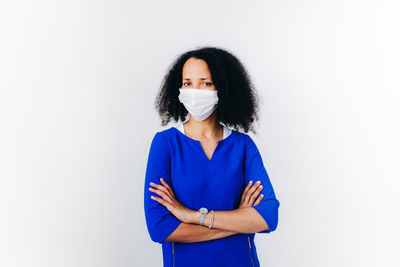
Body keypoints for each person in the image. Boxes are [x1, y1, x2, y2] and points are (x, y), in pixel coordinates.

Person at [143, 46, 280, 267]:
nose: (194, 91)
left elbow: (268, 217)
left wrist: (194, 216)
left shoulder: (243, 146)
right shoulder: (166, 144)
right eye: (188, 83)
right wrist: (239, 220)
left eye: (205, 83)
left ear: (222, 87)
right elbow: (159, 227)